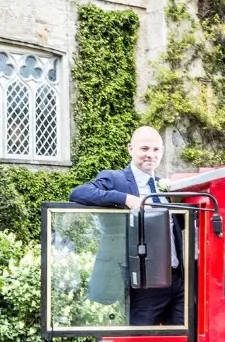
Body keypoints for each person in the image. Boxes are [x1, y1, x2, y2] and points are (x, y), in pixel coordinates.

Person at [69, 126, 184, 326]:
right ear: (131, 149)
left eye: (156, 150)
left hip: (178, 282)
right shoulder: (116, 179)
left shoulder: (164, 186)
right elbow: (79, 193)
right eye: (144, 149)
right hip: (143, 284)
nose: (151, 155)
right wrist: (126, 199)